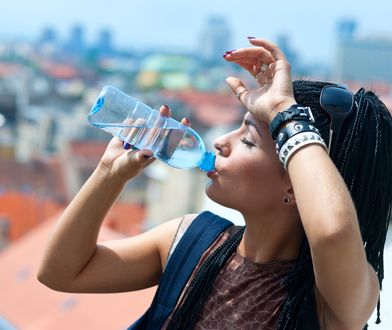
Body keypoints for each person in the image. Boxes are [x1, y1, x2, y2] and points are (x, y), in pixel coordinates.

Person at [37, 37, 392, 330]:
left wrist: (285, 112)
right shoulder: (192, 240)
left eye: (249, 140)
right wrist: (108, 174)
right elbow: (61, 272)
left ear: (294, 186)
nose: (222, 140)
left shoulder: (331, 302)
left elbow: (332, 233)